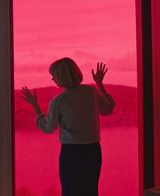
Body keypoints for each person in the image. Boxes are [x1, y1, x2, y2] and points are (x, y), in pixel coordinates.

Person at [21, 57, 115, 196]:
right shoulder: (91, 92)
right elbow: (108, 109)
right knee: (90, 191)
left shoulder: (58, 101)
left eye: (53, 76)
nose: (52, 79)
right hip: (92, 151)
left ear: (60, 77)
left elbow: (48, 128)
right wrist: (100, 84)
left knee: (70, 191)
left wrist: (35, 106)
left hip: (71, 153)